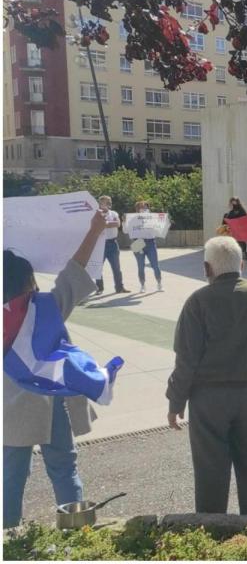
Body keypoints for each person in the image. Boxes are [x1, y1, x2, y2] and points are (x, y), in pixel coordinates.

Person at [166, 236, 247, 515]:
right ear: (242, 264)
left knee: (210, 469)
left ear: (207, 269)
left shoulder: (198, 301)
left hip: (209, 397)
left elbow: (186, 359)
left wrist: (176, 401)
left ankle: (211, 534)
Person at [3, 210, 107, 529]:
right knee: (64, 470)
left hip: (10, 411)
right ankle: (78, 534)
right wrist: (94, 230)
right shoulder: (46, 309)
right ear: (28, 280)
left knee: (10, 476)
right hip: (51, 406)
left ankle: (7, 537)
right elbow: (73, 274)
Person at [94, 195, 129, 294]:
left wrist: (105, 224)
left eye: (110, 201)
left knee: (116, 268)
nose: (109, 203)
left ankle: (119, 288)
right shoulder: (96, 214)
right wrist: (108, 224)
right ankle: (99, 288)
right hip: (100, 244)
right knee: (98, 268)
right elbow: (98, 225)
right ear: (100, 203)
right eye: (107, 201)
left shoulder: (113, 213)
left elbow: (117, 224)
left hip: (113, 244)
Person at [132, 200, 163, 293]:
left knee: (155, 265)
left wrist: (164, 221)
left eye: (146, 207)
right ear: (137, 209)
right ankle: (142, 285)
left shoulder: (152, 218)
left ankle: (159, 283)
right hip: (137, 242)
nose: (144, 209)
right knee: (140, 266)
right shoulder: (132, 219)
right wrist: (125, 222)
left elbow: (159, 228)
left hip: (150, 242)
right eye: (142, 207)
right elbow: (126, 231)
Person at [222, 197, 247, 262]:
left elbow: (245, 219)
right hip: (231, 231)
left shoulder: (241, 211)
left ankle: (243, 253)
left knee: (241, 242)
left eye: (234, 202)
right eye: (231, 202)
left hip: (239, 230)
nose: (233, 204)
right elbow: (225, 222)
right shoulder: (229, 213)